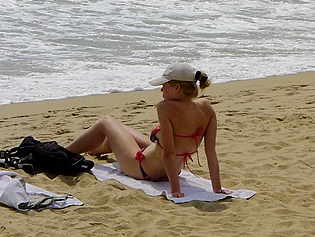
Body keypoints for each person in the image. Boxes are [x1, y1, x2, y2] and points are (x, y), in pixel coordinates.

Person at [62, 63, 229, 198]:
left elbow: (169, 153)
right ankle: (99, 148)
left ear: (177, 87)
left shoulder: (166, 107)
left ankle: (61, 153)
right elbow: (210, 151)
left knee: (107, 122)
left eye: (164, 86)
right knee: (120, 129)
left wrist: (175, 190)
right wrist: (217, 188)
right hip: (172, 169)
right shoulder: (206, 107)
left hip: (143, 168)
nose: (161, 90)